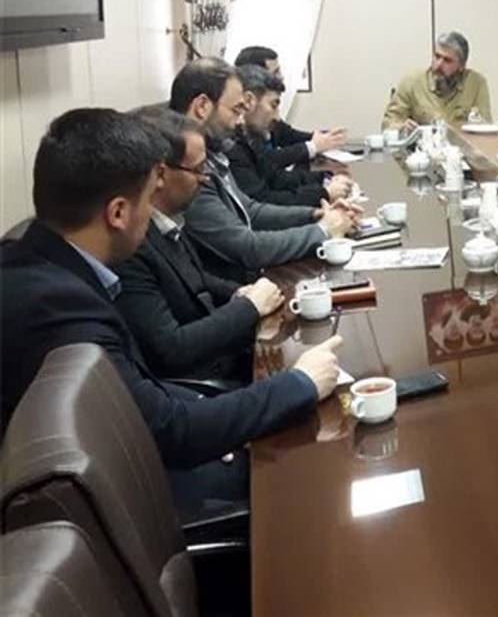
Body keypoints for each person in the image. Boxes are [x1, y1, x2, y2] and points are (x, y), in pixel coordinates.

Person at [0, 108, 341, 517]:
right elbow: (171, 430)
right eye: (148, 200)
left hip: (134, 463)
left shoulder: (39, 263)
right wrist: (299, 384)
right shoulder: (59, 310)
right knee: (314, 476)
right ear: (118, 213)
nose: (153, 215)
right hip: (141, 503)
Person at [114, 107, 283, 382]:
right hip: (204, 383)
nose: (205, 179)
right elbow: (171, 349)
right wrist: (249, 307)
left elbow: (196, 278)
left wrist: (240, 292)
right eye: (198, 169)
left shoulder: (167, 220)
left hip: (224, 356)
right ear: (160, 175)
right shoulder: (128, 246)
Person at [169, 57, 357, 282]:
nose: (240, 123)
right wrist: (323, 230)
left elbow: (251, 210)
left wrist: (315, 215)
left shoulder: (212, 153)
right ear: (202, 107)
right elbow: (247, 248)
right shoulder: (184, 170)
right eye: (236, 110)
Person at [227, 64, 353, 207]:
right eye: (273, 105)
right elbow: (263, 201)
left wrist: (325, 178)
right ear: (249, 100)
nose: (277, 117)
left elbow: (276, 178)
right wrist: (324, 194)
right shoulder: (231, 145)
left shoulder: (246, 138)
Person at [233, 45, 347, 168]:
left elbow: (287, 134)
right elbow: (265, 161)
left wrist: (324, 138)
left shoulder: (265, 112)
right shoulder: (235, 127)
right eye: (276, 72)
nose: (281, 76)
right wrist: (313, 146)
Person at [382, 31, 492, 129]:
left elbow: (484, 127)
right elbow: (387, 123)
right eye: (437, 56)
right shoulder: (412, 81)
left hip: (461, 145)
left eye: (447, 60)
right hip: (422, 145)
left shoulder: (476, 84)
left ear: (461, 66)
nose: (439, 65)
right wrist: (401, 127)